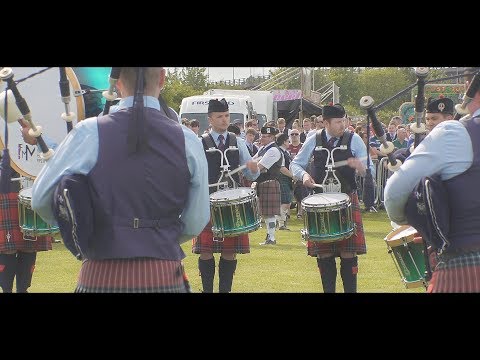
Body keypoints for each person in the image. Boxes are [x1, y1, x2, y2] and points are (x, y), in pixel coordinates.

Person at [31, 67, 210, 293]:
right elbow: (197, 218)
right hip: (164, 270)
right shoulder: (188, 140)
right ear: (163, 78)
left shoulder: (88, 132)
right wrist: (159, 236)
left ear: (115, 82)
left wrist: (79, 229)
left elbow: (39, 200)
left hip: (100, 272)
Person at [384, 79, 480, 293]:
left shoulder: (454, 132)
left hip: (466, 264)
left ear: (469, 85)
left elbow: (393, 194)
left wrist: (416, 221)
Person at [290, 103, 374, 293]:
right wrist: (303, 176)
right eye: (338, 122)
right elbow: (296, 164)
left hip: (346, 200)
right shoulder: (314, 138)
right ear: (325, 122)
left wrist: (360, 167)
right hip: (320, 202)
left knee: (348, 251)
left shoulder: (354, 139)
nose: (342, 125)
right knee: (324, 253)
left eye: (344, 120)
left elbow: (369, 168)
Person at [193, 98, 259, 293]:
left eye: (227, 116)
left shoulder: (237, 141)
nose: (224, 120)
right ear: (210, 119)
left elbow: (250, 173)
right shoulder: (200, 143)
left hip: (232, 204)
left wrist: (254, 169)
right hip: (207, 202)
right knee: (205, 251)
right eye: (219, 116)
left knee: (229, 252)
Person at [0, 120, 56, 293]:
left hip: (31, 185)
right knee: (6, 248)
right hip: (4, 188)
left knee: (30, 244)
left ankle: (23, 290)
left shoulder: (31, 112)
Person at [254, 125, 283, 245]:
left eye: (265, 136)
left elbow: (260, 167)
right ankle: (269, 236)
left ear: (272, 138)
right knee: (266, 212)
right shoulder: (263, 149)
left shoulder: (273, 150)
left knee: (269, 213)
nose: (262, 138)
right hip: (263, 183)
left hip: (270, 182)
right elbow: (252, 160)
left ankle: (271, 238)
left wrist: (249, 168)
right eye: (262, 136)